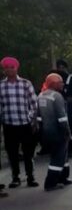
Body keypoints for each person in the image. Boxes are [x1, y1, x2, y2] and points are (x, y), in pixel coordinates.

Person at [0, 56, 39, 188]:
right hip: (9, 125)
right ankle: (15, 178)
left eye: (12, 67)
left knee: (28, 154)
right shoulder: (1, 86)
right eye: (7, 68)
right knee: (12, 153)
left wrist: (30, 118)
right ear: (3, 70)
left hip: (25, 124)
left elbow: (34, 103)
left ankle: (30, 177)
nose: (10, 70)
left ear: (16, 68)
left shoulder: (25, 84)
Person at [37, 73, 72, 190]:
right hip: (58, 132)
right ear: (55, 83)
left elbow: (38, 117)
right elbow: (62, 117)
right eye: (61, 82)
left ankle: (64, 178)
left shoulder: (41, 95)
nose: (63, 84)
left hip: (46, 132)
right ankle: (50, 183)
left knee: (63, 155)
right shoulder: (57, 96)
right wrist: (67, 132)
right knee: (58, 157)